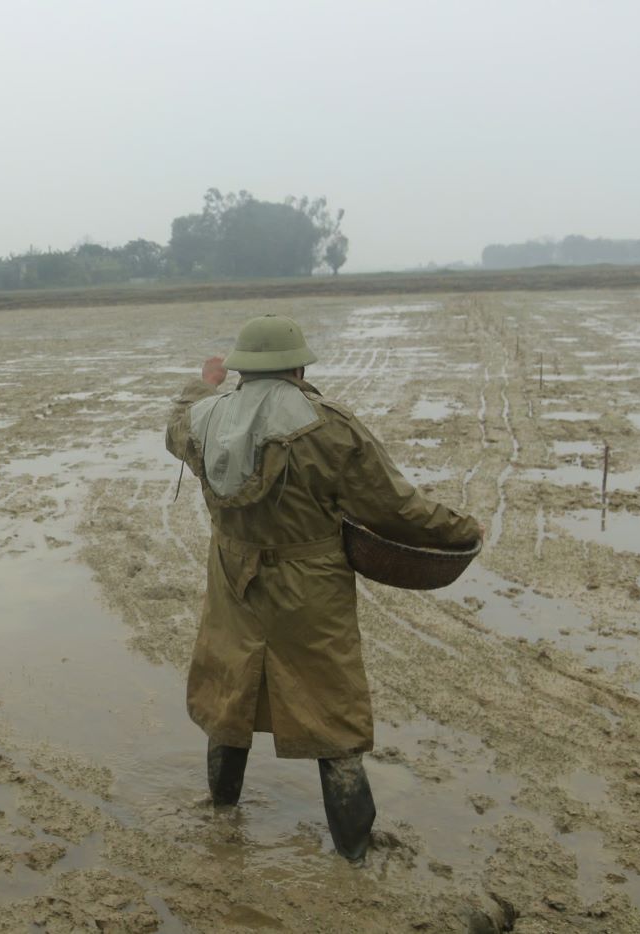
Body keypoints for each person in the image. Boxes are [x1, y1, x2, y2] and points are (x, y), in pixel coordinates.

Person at [164, 313, 481, 861]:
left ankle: (222, 810)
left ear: (242, 370)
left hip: (232, 579)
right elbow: (395, 507)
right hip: (309, 587)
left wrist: (204, 382)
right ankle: (354, 850)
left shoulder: (204, 420)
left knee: (229, 686)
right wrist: (463, 529)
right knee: (330, 705)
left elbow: (174, 424)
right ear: (299, 365)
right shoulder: (327, 427)